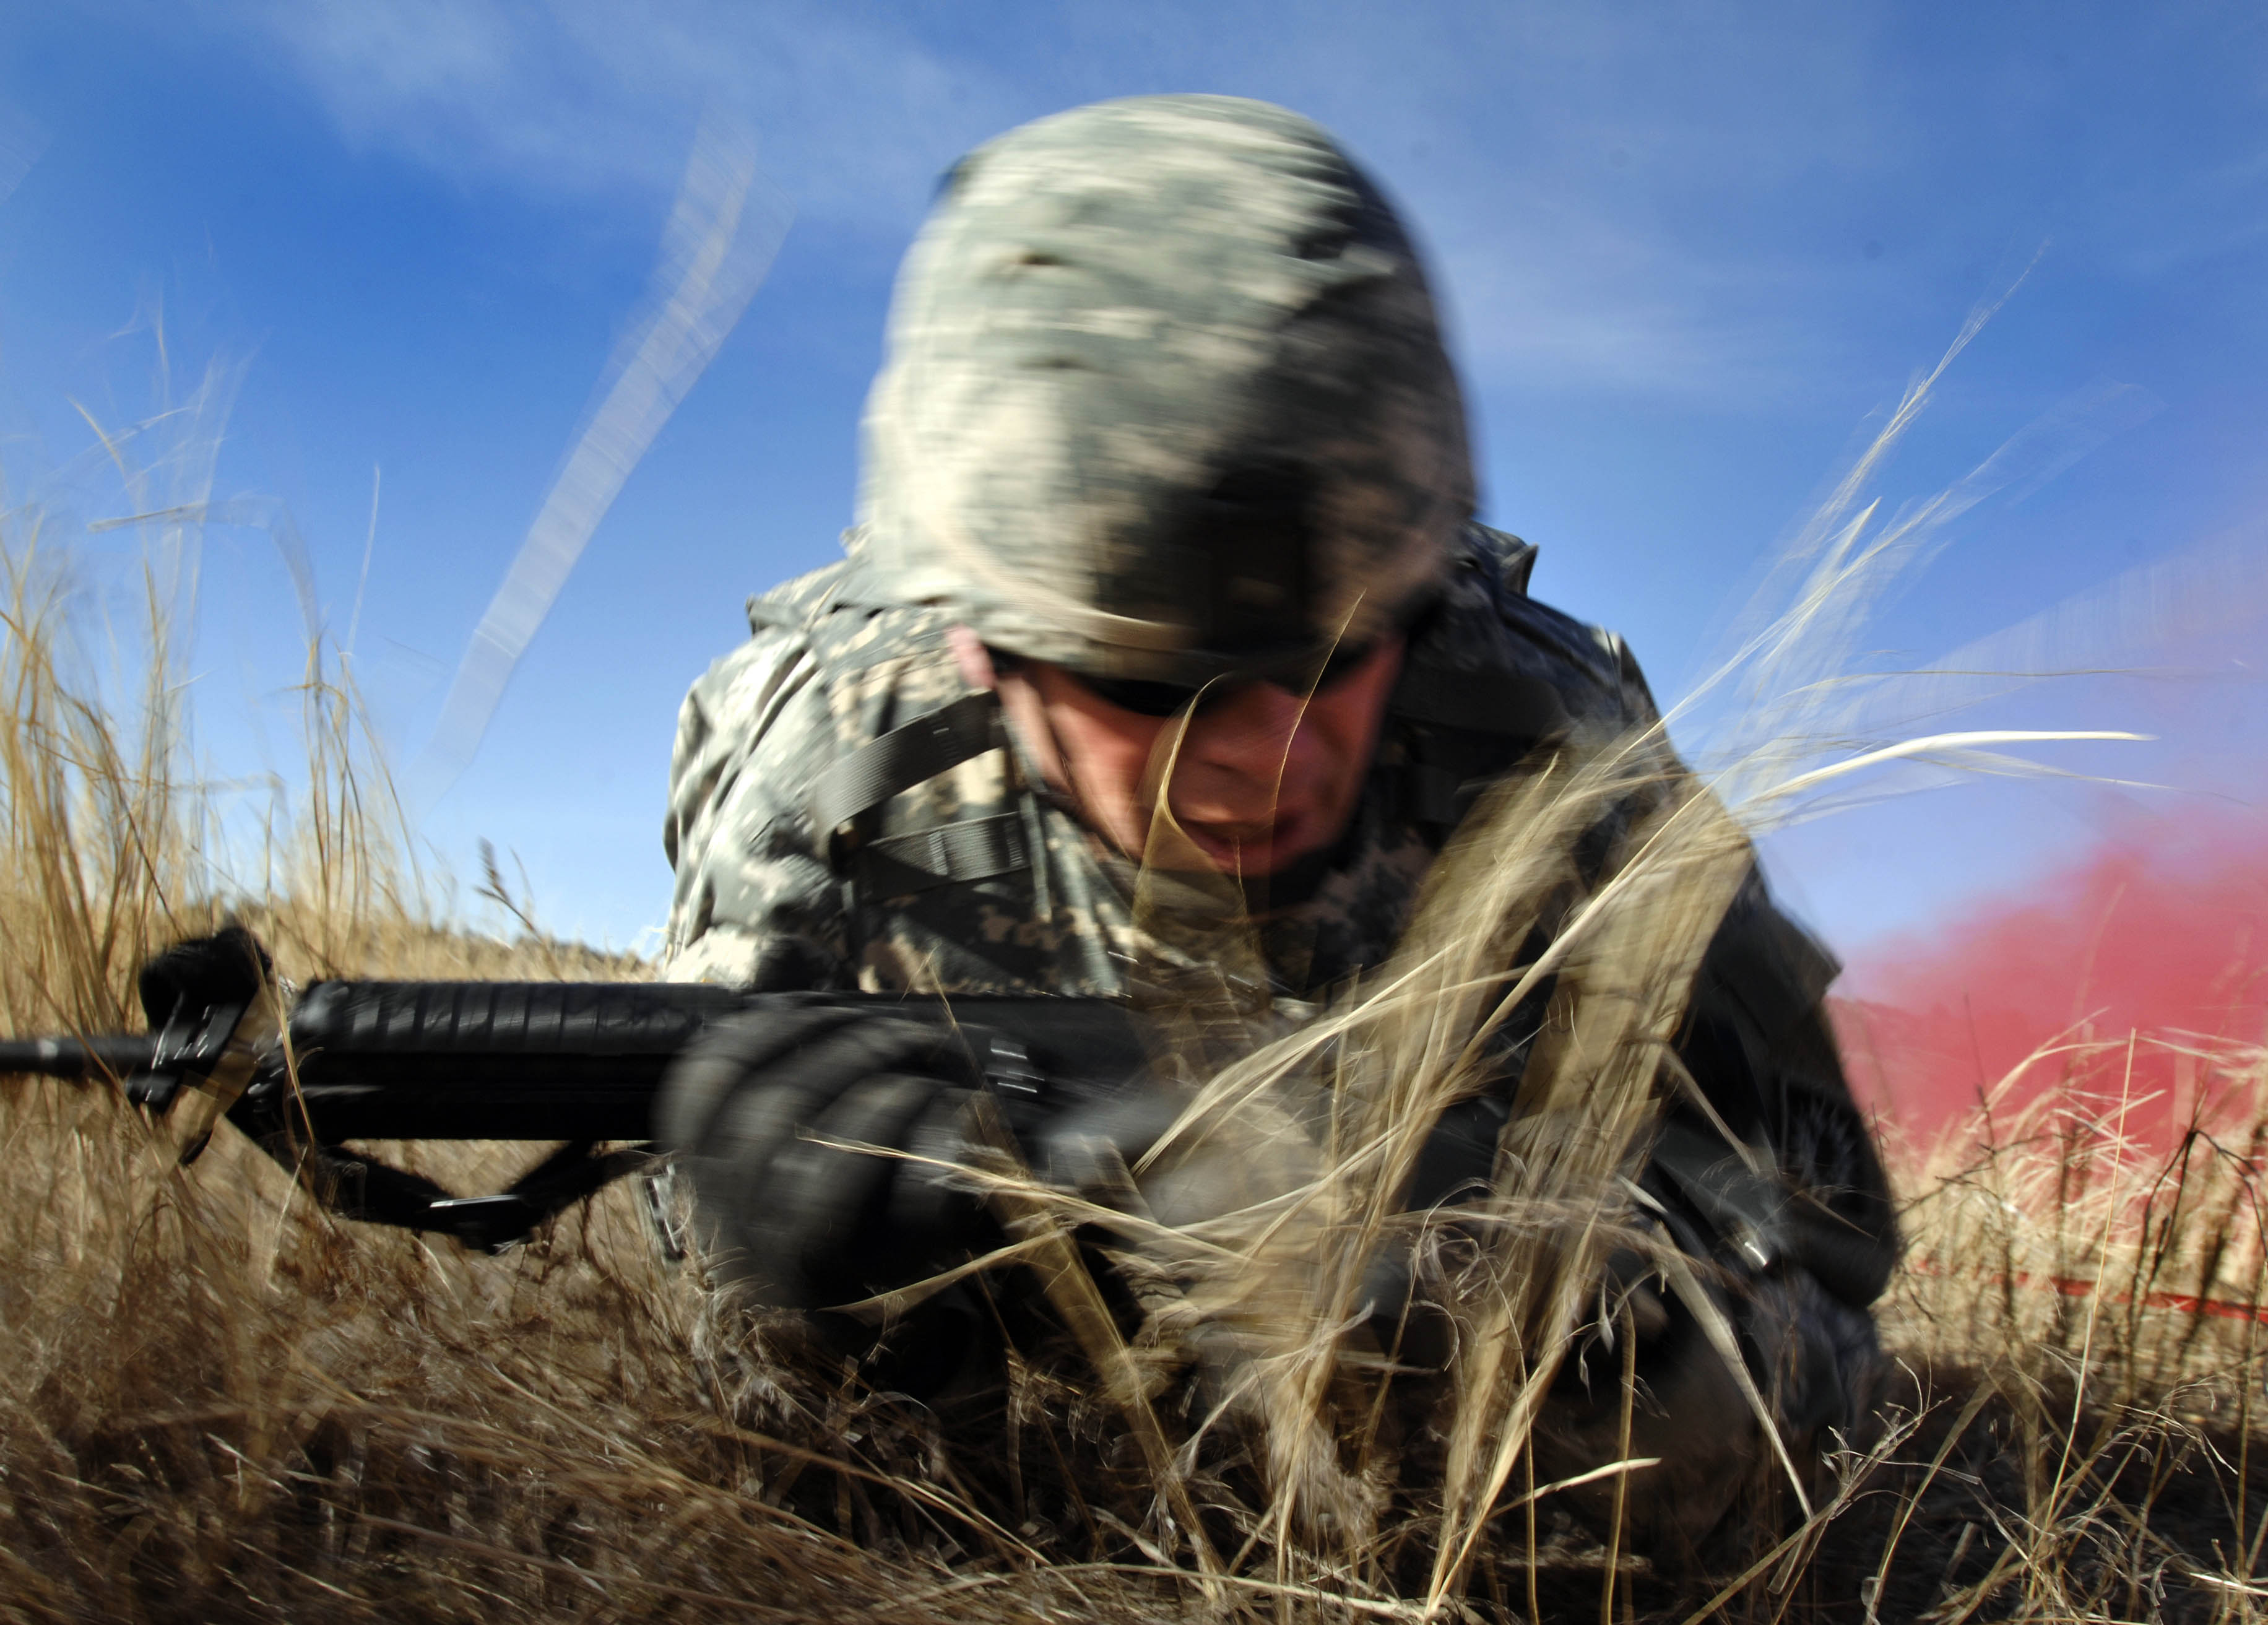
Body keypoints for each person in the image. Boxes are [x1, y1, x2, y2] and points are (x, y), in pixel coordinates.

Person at [654, 94, 1896, 1561]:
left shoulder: (1568, 756)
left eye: (1339, 650)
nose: (1269, 749)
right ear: (982, 645)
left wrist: (1463, 1301)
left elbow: (1827, 1278)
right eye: (1149, 685)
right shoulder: (839, 762)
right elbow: (706, 1246)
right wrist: (828, 1286)